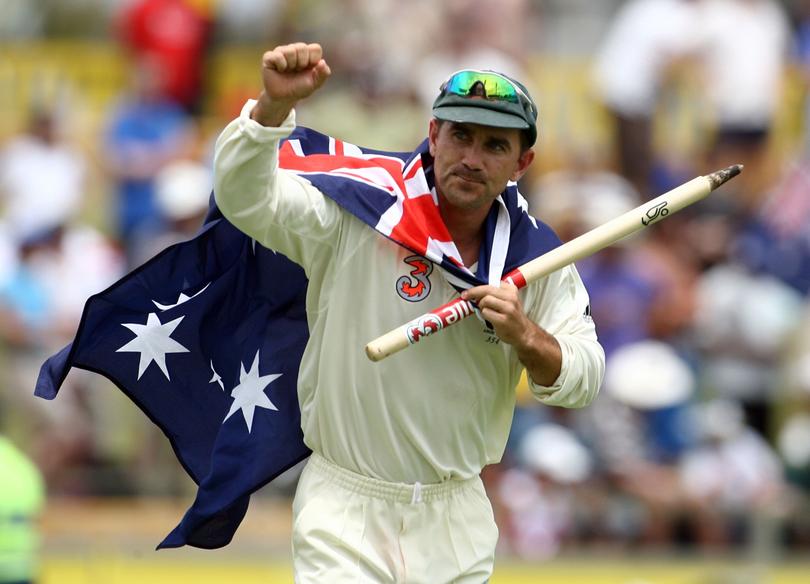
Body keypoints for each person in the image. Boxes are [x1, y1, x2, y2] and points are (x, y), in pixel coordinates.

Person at [212, 42, 604, 582]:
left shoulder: (538, 259)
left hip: (456, 516)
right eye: (460, 135)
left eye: (495, 145)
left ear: (522, 162)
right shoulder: (361, 211)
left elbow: (583, 378)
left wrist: (525, 336)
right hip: (345, 506)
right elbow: (247, 200)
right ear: (434, 134)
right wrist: (271, 111)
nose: (472, 157)